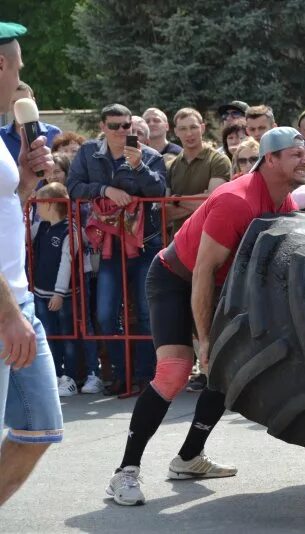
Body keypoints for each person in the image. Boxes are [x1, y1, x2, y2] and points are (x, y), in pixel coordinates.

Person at [105, 127, 305, 506]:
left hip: (217, 286)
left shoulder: (285, 204)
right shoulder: (237, 200)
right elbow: (200, 273)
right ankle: (125, 472)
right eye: (296, 153)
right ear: (271, 159)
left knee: (225, 370)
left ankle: (188, 458)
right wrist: (206, 341)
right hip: (174, 279)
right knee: (175, 372)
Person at [0, 20, 61, 506]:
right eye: (19, 66)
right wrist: (9, 316)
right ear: (1, 64)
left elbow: (9, 207)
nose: (23, 75)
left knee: (39, 428)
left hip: (18, 302)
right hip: (6, 309)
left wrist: (23, 177)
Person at [66, 103, 167, 396]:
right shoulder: (88, 153)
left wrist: (138, 167)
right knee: (106, 313)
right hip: (110, 247)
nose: (122, 131)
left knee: (148, 314)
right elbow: (72, 186)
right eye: (115, 126)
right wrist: (104, 190)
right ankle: (122, 374)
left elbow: (159, 192)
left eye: (127, 126)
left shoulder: (149, 156)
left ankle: (146, 377)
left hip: (146, 245)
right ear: (102, 128)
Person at [30, 183, 102, 396]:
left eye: (40, 203)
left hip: (64, 295)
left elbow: (67, 262)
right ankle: (55, 375)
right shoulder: (41, 226)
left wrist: (59, 292)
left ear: (51, 204)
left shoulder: (71, 230)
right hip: (41, 292)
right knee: (49, 335)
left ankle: (70, 377)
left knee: (67, 334)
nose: (36, 208)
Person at [166, 108, 232, 232]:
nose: (189, 133)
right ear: (176, 132)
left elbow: (214, 203)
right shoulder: (171, 165)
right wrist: (201, 200)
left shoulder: (218, 160)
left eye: (193, 127)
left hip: (210, 238)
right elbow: (166, 213)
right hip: (177, 241)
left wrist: (177, 200)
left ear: (202, 128)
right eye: (183, 129)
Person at [0, 81, 62, 162]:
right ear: (9, 105)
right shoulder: (1, 136)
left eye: (25, 101)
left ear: (34, 102)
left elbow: (63, 166)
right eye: (15, 102)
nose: (21, 107)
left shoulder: (54, 133)